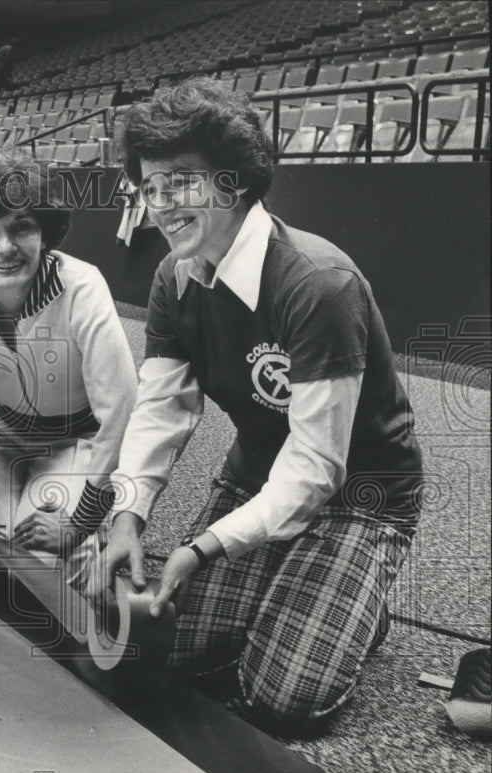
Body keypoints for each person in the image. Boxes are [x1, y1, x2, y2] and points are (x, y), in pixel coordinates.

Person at [87, 77, 424, 734]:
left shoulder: (319, 284)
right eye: (151, 188)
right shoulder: (172, 278)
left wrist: (199, 549)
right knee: (176, 651)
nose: (161, 205)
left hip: (360, 496)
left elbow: (316, 467)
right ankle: (301, 583)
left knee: (284, 696)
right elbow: (162, 412)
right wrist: (128, 518)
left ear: (234, 182)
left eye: (180, 183)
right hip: (255, 479)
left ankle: (363, 589)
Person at [0, 146, 137, 586]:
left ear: (44, 232)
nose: (6, 247)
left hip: (79, 439)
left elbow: (120, 417)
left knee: (41, 565)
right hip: (1, 435)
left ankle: (87, 549)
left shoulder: (82, 288)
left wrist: (79, 523)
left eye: (22, 227)